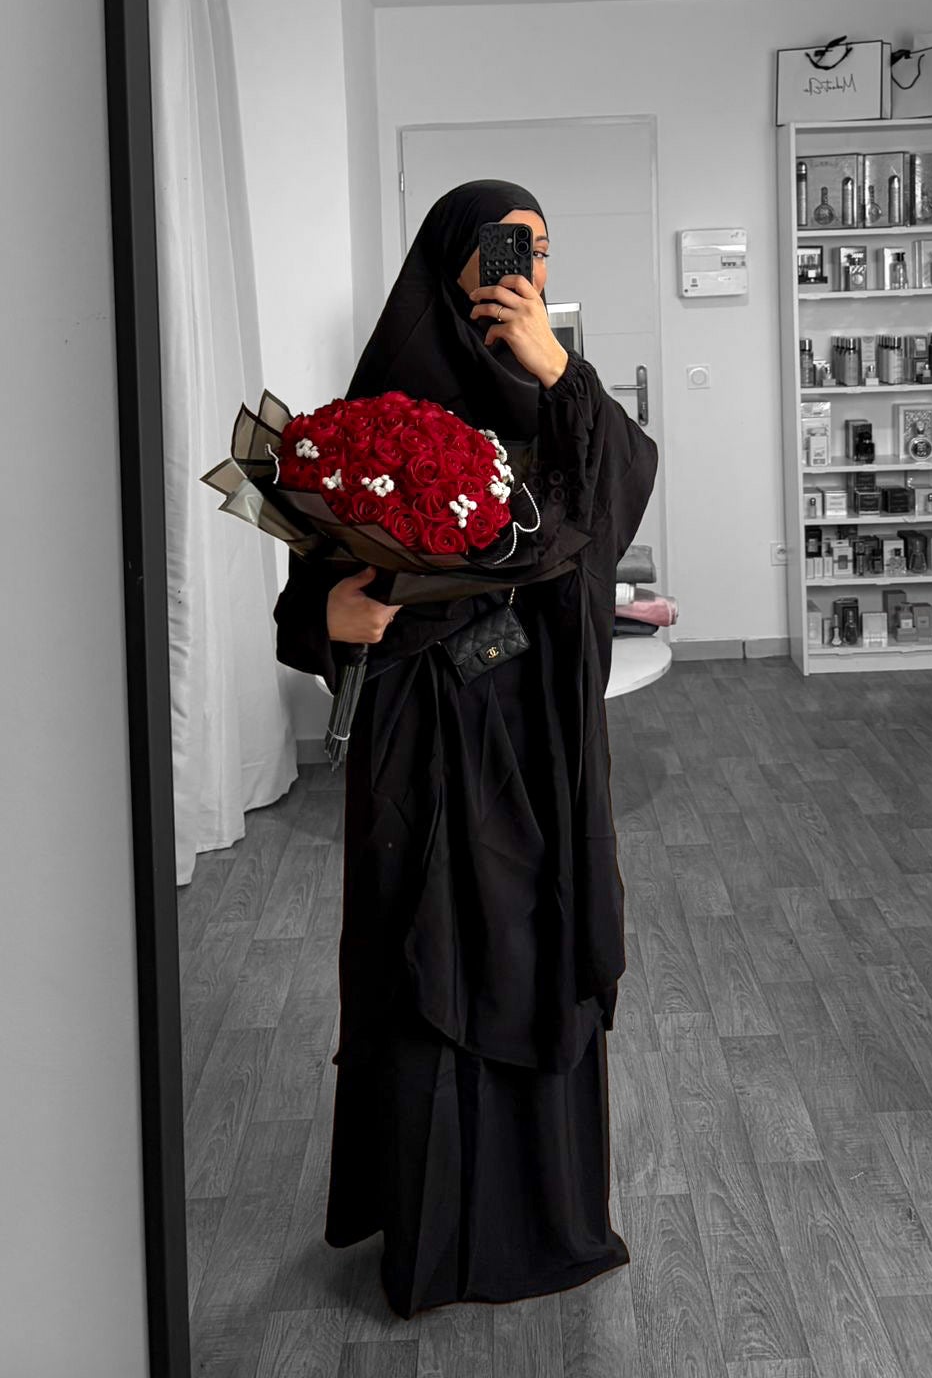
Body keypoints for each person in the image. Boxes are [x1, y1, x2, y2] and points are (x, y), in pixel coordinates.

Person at [272, 179, 660, 1318]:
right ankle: (432, 1235)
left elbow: (614, 504)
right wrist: (326, 618)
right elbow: (307, 584)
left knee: (532, 947)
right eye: (502, 246)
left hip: (533, 737)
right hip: (418, 739)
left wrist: (557, 367)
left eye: (539, 249)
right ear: (449, 260)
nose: (522, 266)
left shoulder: (561, 396)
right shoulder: (383, 405)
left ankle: (541, 1220)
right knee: (422, 957)